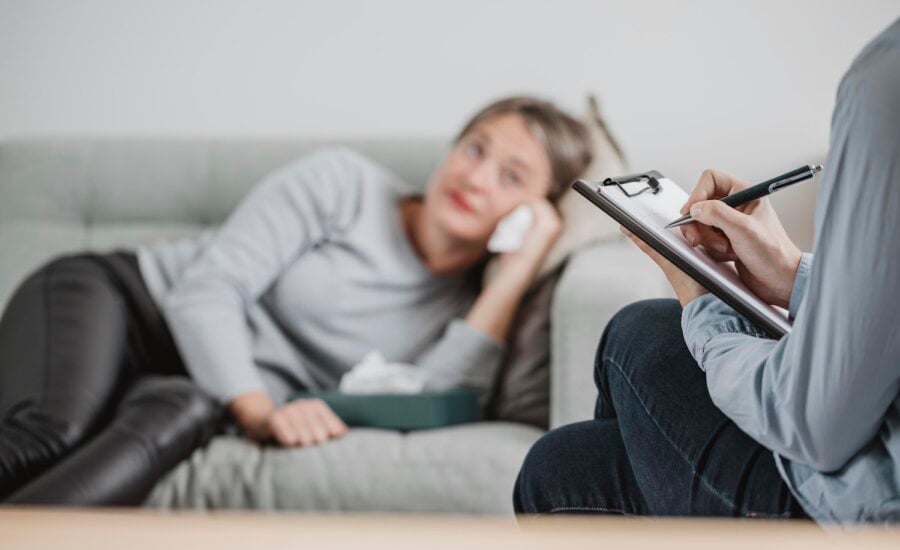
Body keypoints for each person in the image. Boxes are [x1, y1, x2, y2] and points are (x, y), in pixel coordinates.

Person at [0, 96, 594, 505]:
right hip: (127, 304)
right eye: (475, 147)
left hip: (200, 389)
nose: (476, 176)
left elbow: (419, 400)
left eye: (511, 177)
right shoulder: (343, 184)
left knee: (179, 415)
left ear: (534, 213)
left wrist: (512, 278)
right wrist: (260, 411)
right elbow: (206, 291)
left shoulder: (462, 311)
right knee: (55, 433)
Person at [514, 18, 900, 523]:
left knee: (620, 357)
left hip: (868, 511)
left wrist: (702, 299)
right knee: (570, 455)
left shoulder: (884, 82)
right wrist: (790, 274)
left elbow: (814, 426)